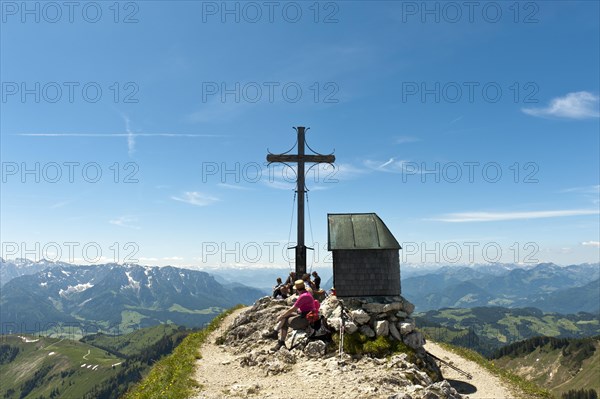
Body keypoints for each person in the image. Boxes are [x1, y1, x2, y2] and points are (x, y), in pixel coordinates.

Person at [270, 279, 316, 351]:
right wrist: (284, 315)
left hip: (306, 320)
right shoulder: (307, 293)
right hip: (306, 316)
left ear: (297, 289)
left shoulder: (303, 296)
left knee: (284, 320)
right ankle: (275, 333)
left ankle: (280, 341)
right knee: (286, 316)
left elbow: (292, 309)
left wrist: (282, 316)